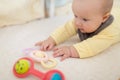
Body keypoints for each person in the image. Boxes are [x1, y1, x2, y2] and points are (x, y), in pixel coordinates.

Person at [35, 0, 120, 61]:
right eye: (75, 16)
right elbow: (66, 29)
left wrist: (71, 50)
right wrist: (52, 39)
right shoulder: (82, 19)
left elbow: (92, 46)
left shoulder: (109, 32)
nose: (77, 23)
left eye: (85, 19)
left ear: (104, 18)